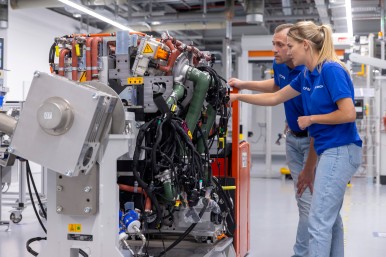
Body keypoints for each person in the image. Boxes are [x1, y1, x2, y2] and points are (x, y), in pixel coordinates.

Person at [230, 21, 362, 257]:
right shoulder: (307, 76)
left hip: (341, 149)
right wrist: (239, 96)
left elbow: (349, 113)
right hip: (328, 150)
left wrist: (312, 119)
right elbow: (276, 97)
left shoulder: (330, 69)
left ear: (305, 45)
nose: (287, 52)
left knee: (318, 220)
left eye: (290, 46)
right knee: (329, 219)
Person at [229, 23, 315, 257]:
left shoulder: (306, 71)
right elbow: (277, 87)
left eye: (281, 44)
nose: (275, 49)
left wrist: (240, 96)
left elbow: (278, 97)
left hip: (313, 143)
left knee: (310, 205)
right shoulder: (280, 65)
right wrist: (243, 85)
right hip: (293, 141)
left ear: (295, 45)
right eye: (274, 44)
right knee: (306, 203)